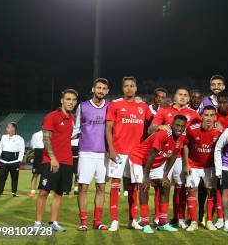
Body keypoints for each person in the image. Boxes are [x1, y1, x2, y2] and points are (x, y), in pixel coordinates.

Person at [148, 87, 201, 229]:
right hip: (163, 156)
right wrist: (160, 127)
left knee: (180, 187)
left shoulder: (193, 114)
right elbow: (150, 129)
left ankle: (179, 218)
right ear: (175, 96)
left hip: (179, 157)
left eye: (185, 95)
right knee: (161, 186)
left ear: (188, 98)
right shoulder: (164, 111)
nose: (183, 97)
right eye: (180, 94)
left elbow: (202, 128)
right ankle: (158, 217)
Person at [105, 76, 153, 231]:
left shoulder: (143, 106)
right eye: (126, 86)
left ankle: (132, 220)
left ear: (136, 88)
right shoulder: (115, 104)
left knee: (133, 187)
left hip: (136, 154)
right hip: (118, 151)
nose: (129, 88)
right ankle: (114, 220)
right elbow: (108, 129)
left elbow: (154, 123)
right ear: (122, 88)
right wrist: (111, 149)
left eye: (132, 85)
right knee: (115, 185)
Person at [130, 115, 187, 233]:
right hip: (139, 159)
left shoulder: (181, 137)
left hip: (155, 163)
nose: (179, 128)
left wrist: (165, 174)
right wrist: (146, 177)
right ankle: (144, 222)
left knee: (165, 185)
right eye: (177, 125)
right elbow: (152, 155)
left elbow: (174, 155)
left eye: (182, 126)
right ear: (171, 125)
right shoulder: (163, 134)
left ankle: (162, 222)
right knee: (144, 186)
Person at [34, 89, 79, 232]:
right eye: (68, 99)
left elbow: (68, 137)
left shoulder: (73, 119)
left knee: (59, 192)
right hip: (51, 160)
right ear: (62, 100)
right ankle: (37, 223)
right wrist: (53, 158)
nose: (71, 102)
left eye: (73, 100)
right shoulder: (52, 116)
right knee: (43, 192)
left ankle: (53, 222)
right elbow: (46, 139)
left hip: (67, 161)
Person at [73, 78, 110, 231]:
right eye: (98, 88)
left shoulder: (110, 106)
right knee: (83, 188)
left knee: (101, 187)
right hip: (86, 152)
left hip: (104, 153)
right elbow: (75, 129)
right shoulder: (83, 106)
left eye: (104, 88)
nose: (101, 90)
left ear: (107, 91)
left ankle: (97, 222)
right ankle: (83, 222)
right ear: (93, 89)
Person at [183, 105, 222, 232]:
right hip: (193, 165)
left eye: (211, 115)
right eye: (206, 115)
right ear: (201, 116)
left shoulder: (220, 131)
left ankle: (209, 220)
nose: (209, 118)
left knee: (211, 193)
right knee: (192, 191)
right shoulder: (192, 129)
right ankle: (194, 221)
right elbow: (186, 145)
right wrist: (186, 164)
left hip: (210, 167)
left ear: (215, 117)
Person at [0, 122, 24, 197]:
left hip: (14, 162)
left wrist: (19, 160)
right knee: (2, 178)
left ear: (13, 129)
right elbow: (1, 148)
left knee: (14, 178)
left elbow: (22, 150)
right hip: (3, 161)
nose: (6, 128)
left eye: (8, 127)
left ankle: (13, 192)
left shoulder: (20, 138)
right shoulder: (3, 137)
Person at [29, 130, 44, 197]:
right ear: (43, 126)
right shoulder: (36, 134)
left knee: (46, 174)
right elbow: (32, 144)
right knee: (35, 173)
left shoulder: (52, 133)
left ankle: (45, 190)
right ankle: (32, 191)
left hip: (47, 153)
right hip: (38, 152)